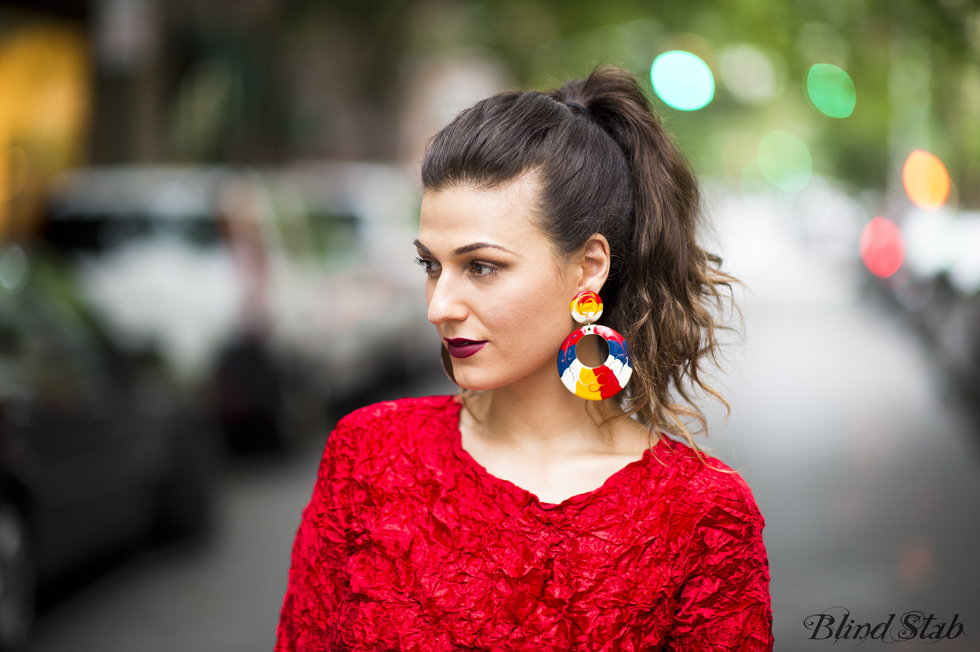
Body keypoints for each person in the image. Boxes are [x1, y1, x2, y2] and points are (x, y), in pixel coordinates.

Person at [275, 66, 773, 651]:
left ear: (588, 267)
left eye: (481, 267)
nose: (439, 306)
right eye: (430, 265)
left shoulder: (702, 514)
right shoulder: (367, 456)